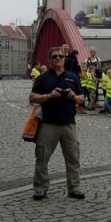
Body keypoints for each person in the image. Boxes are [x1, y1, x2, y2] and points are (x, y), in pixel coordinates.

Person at [29, 46, 86, 201]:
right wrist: (49, 96)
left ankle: (74, 188)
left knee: (73, 158)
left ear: (64, 58)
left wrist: (74, 96)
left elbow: (82, 99)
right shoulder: (43, 77)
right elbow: (32, 97)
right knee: (42, 157)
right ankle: (40, 188)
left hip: (69, 124)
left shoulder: (72, 77)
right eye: (54, 57)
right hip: (48, 123)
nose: (58, 59)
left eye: (60, 56)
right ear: (49, 59)